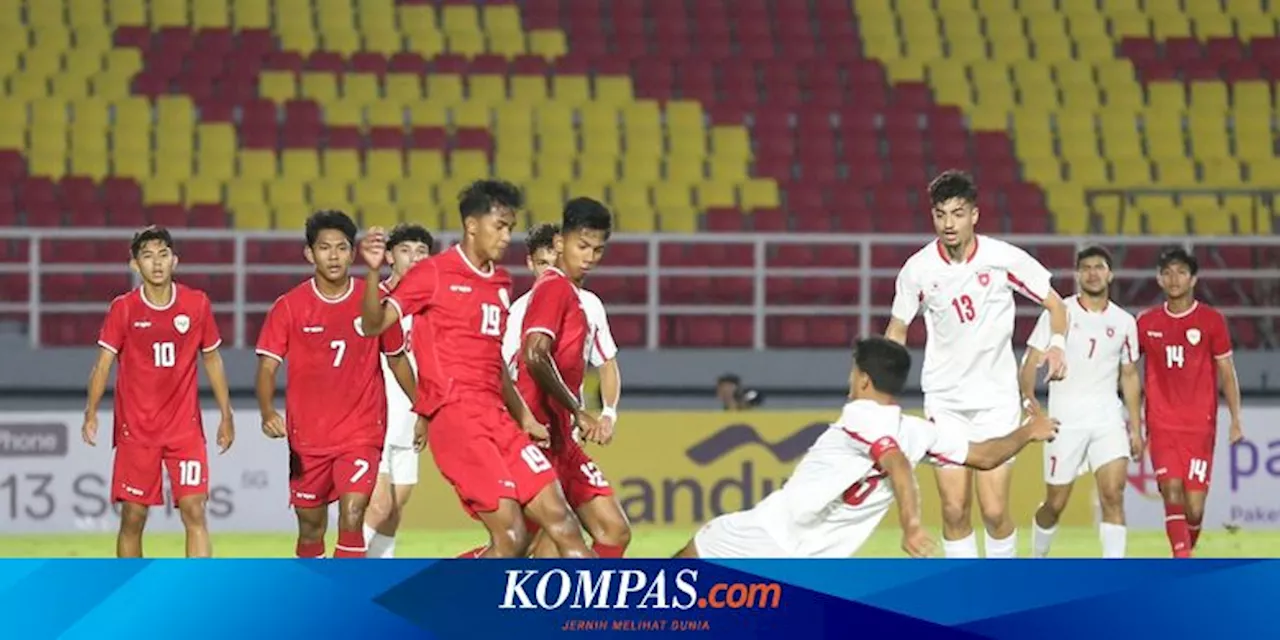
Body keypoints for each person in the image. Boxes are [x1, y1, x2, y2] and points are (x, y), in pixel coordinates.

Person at [356, 179, 594, 558]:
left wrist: (525, 417)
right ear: (472, 225)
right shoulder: (433, 273)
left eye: (510, 228)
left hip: (499, 418)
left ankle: (604, 612)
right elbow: (373, 325)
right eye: (499, 226)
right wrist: (370, 274)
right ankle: (446, 603)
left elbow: (493, 359)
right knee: (512, 537)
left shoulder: (501, 284)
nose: (506, 237)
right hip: (456, 419)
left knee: (562, 522)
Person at [675, 337, 1059, 559]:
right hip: (820, 563)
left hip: (770, 534)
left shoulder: (860, 416)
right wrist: (1028, 432)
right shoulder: (919, 432)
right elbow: (986, 455)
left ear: (863, 379)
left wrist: (911, 525)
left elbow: (896, 464)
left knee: (681, 569)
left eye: (853, 370)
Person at [885, 170, 1069, 558]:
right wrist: (885, 379)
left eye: (957, 213)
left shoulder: (1003, 258)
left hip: (996, 399)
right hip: (945, 399)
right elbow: (898, 326)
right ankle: (965, 599)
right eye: (940, 215)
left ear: (975, 215)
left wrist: (1057, 345)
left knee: (995, 509)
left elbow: (1055, 304)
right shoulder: (918, 269)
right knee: (953, 510)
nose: (948, 224)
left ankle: (1001, 591)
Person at [255, 211, 415, 558]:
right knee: (311, 527)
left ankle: (347, 601)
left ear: (352, 253)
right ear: (309, 254)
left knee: (353, 515)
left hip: (361, 432)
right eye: (325, 248)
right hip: (308, 438)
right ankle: (313, 596)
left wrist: (425, 407)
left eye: (342, 248)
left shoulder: (373, 304)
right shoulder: (288, 307)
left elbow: (397, 358)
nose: (333, 256)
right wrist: (267, 410)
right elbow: (267, 367)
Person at [82, 226, 234, 558]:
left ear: (175, 261)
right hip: (137, 431)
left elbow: (212, 358)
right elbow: (104, 364)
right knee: (133, 517)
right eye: (148, 256)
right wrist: (91, 412)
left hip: (185, 430)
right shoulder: (123, 309)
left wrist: (226, 414)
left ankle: (197, 592)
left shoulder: (196, 304)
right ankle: (131, 592)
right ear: (135, 265)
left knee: (195, 510)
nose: (157, 263)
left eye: (163, 255)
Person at [512, 200, 630, 558]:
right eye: (583, 246)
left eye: (598, 249)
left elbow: (606, 362)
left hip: (562, 438)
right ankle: (439, 589)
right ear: (561, 243)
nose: (590, 257)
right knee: (536, 547)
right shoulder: (550, 290)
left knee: (613, 531)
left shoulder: (581, 299)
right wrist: (578, 410)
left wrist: (604, 413)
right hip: (536, 437)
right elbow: (533, 356)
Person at [1020, 246, 1143, 558]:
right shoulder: (1059, 312)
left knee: (1113, 495)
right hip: (1065, 422)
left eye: (1099, 267)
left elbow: (1129, 375)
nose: (1092, 273)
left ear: (1110, 273)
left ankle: (1112, 576)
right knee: (1055, 504)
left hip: (1107, 419)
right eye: (1086, 267)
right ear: (1077, 274)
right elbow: (1030, 360)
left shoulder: (1125, 322)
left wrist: (1136, 428)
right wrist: (1029, 398)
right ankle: (1037, 559)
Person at [1136, 246, 1244, 557]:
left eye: (1181, 272)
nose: (1174, 279)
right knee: (1171, 490)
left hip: (1200, 427)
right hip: (1161, 423)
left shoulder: (1211, 321)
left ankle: (1186, 551)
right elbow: (1127, 368)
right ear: (1159, 279)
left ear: (1193, 279)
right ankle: (1180, 561)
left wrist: (1236, 419)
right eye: (1167, 273)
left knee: (1194, 508)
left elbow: (1226, 370)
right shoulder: (1146, 322)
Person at [363, 223, 434, 559]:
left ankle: (381, 574)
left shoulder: (433, 308)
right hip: (373, 416)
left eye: (421, 252)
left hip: (411, 418)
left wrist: (427, 411)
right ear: (390, 256)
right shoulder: (376, 301)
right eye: (406, 251)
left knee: (395, 508)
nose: (414, 258)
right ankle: (342, 573)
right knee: (378, 505)